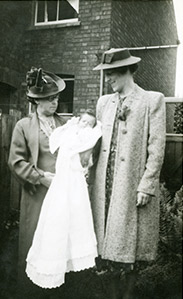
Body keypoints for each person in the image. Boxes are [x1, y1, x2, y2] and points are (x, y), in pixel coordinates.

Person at [90, 48, 166, 299]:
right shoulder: (104, 102)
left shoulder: (151, 101)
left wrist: (147, 184)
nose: (108, 79)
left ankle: (129, 294)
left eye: (111, 74)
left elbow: (156, 148)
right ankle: (111, 293)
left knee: (130, 244)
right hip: (106, 182)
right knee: (106, 240)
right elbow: (96, 142)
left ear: (125, 72)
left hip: (132, 183)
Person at [25, 110, 102, 289]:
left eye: (89, 124)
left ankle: (71, 265)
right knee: (54, 222)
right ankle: (49, 267)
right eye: (83, 121)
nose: (85, 125)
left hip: (73, 181)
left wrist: (93, 129)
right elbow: (55, 143)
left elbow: (90, 143)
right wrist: (40, 176)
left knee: (74, 219)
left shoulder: (84, 134)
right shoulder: (66, 128)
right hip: (52, 183)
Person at [8, 67, 66, 298]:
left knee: (58, 243)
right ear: (37, 101)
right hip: (37, 196)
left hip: (61, 196)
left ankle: (57, 288)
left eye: (56, 98)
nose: (55, 102)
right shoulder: (24, 126)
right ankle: (30, 291)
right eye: (50, 99)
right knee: (34, 243)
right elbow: (16, 161)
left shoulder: (64, 124)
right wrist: (41, 177)